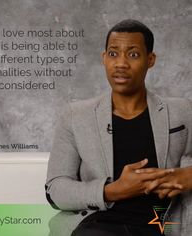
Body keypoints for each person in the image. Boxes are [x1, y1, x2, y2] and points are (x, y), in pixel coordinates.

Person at [45, 19, 192, 236]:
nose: (121, 63)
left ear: (150, 60)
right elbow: (55, 191)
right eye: (113, 53)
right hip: (98, 226)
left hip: (162, 225)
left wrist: (189, 175)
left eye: (133, 54)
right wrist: (113, 191)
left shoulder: (183, 111)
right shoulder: (75, 116)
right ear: (104, 58)